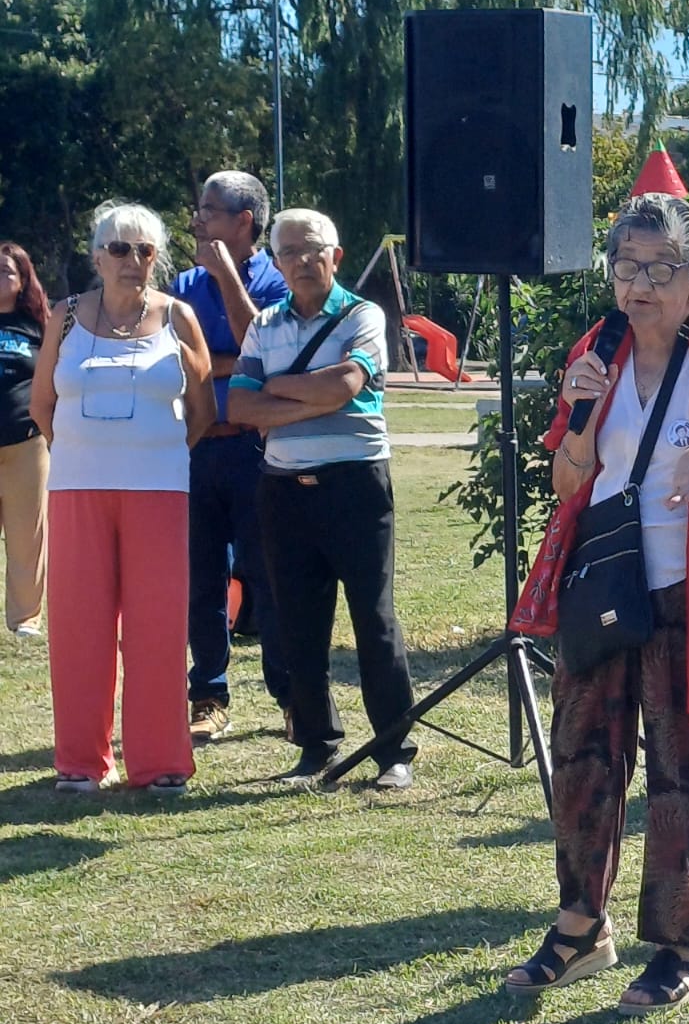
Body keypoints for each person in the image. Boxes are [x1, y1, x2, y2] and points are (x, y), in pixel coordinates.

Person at [505, 193, 689, 1014]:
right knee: (581, 759)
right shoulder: (597, 353)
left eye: (660, 269)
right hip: (604, 586)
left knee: (682, 772)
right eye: (626, 266)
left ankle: (684, 948)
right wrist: (580, 419)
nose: (640, 285)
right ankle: (580, 928)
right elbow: (567, 480)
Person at [227, 208, 418, 790]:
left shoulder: (363, 315)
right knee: (296, 622)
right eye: (289, 251)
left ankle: (394, 753)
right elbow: (240, 407)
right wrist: (313, 397)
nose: (302, 260)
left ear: (335, 256)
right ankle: (316, 748)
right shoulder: (264, 323)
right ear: (277, 262)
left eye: (313, 249)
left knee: (374, 619)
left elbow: (347, 384)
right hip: (284, 491)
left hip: (355, 486)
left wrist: (278, 387)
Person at [30, 202, 215, 793]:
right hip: (76, 490)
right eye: (119, 249)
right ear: (97, 257)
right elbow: (42, 405)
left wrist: (153, 452)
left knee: (157, 627)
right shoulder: (63, 316)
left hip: (158, 492)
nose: (132, 260)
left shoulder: (180, 317)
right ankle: (80, 762)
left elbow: (203, 411)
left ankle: (160, 763)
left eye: (145, 250)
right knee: (78, 627)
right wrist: (83, 450)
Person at [173, 171, 290, 745]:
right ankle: (209, 694)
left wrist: (225, 280)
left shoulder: (277, 282)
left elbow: (264, 351)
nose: (197, 220)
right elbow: (178, 360)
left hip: (254, 448)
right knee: (202, 579)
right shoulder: (182, 283)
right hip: (197, 447)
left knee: (269, 575)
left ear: (244, 221)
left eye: (209, 210)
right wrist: (228, 362)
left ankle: (290, 697)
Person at [0, 244, 51, 637]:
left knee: (27, 535)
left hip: (26, 443)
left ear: (22, 281)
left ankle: (25, 618)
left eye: (7, 271)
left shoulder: (38, 326)